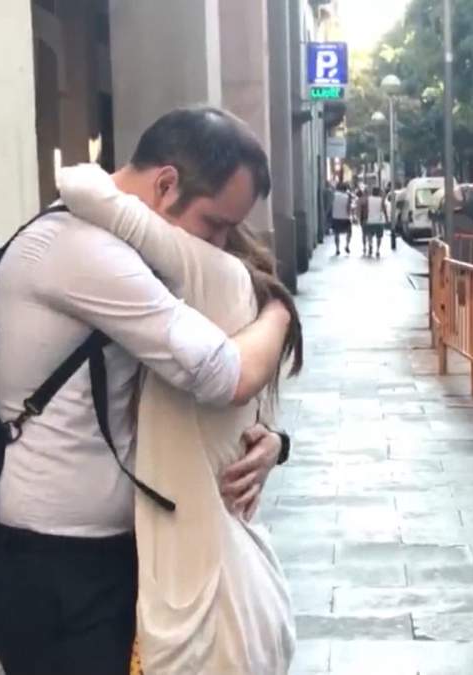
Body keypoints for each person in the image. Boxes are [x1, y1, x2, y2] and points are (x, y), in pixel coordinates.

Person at [0, 106, 294, 675]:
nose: (219, 245)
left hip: (108, 557)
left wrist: (271, 442)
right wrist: (280, 314)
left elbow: (180, 400)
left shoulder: (126, 249)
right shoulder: (80, 253)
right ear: (166, 184)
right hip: (54, 569)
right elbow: (225, 375)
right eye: (215, 224)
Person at [57, 149, 301, 673]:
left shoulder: (204, 268)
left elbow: (78, 186)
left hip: (203, 608)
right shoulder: (243, 290)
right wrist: (281, 311)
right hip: (241, 585)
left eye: (220, 226)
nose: (213, 239)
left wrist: (144, 184)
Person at [363, 186, 390, 257]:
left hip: (370, 220)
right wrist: (387, 219)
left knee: (369, 234)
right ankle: (377, 250)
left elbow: (366, 210)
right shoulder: (381, 200)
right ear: (378, 193)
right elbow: (384, 210)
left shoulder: (368, 199)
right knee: (379, 236)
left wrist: (365, 218)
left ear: (372, 192)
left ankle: (370, 244)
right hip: (379, 221)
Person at [330, 182, 353, 255]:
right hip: (345, 218)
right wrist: (350, 215)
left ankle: (337, 249)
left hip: (335, 217)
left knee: (336, 234)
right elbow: (348, 208)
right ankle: (347, 245)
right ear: (345, 189)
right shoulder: (347, 196)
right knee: (349, 232)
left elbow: (331, 205)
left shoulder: (333, 195)